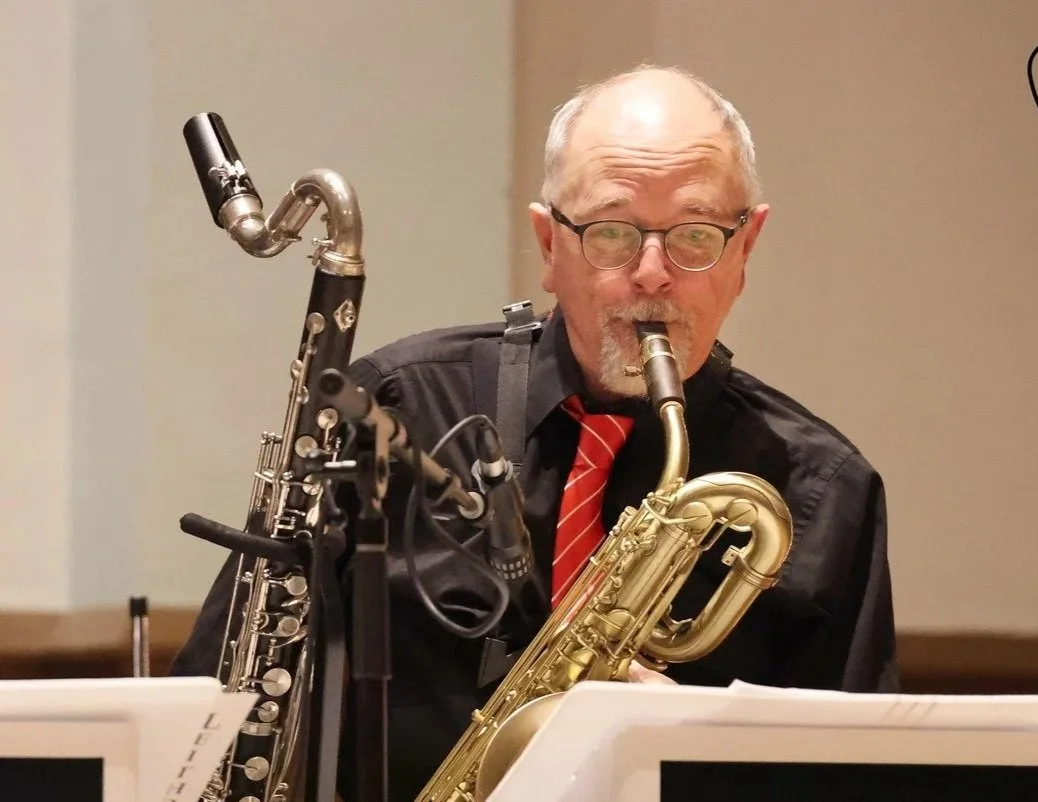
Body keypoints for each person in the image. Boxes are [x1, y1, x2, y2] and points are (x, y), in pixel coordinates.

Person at [170, 64, 897, 800]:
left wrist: (697, 754)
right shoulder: (393, 410)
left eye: (695, 236)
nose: (652, 274)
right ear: (549, 245)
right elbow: (213, 719)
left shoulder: (823, 488)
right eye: (611, 234)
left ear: (746, 250)